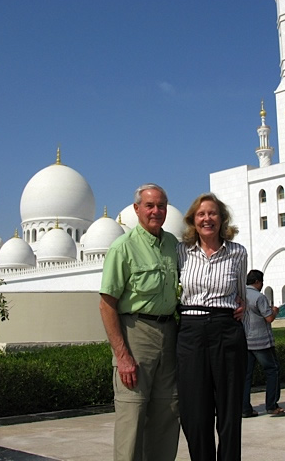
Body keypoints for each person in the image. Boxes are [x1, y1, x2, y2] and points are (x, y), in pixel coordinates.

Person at [99, 183, 180, 461]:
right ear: (136, 209)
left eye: (160, 206)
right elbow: (107, 304)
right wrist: (122, 355)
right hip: (136, 334)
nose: (155, 211)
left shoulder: (172, 245)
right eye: (149, 205)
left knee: (167, 412)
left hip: (169, 333)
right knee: (132, 414)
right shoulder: (123, 247)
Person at [176, 192, 248, 461]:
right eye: (201, 214)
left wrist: (241, 311)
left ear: (222, 218)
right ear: (193, 220)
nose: (207, 219)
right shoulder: (181, 252)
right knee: (194, 412)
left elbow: (241, 295)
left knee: (229, 411)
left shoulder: (237, 253)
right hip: (191, 329)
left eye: (213, 213)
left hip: (226, 329)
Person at [242, 269, 285, 417]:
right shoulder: (259, 297)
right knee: (272, 370)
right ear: (257, 282)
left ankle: (245, 408)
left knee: (246, 375)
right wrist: (274, 310)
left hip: (245, 340)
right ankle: (272, 405)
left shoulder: (241, 295)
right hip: (260, 341)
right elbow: (269, 318)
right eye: (261, 282)